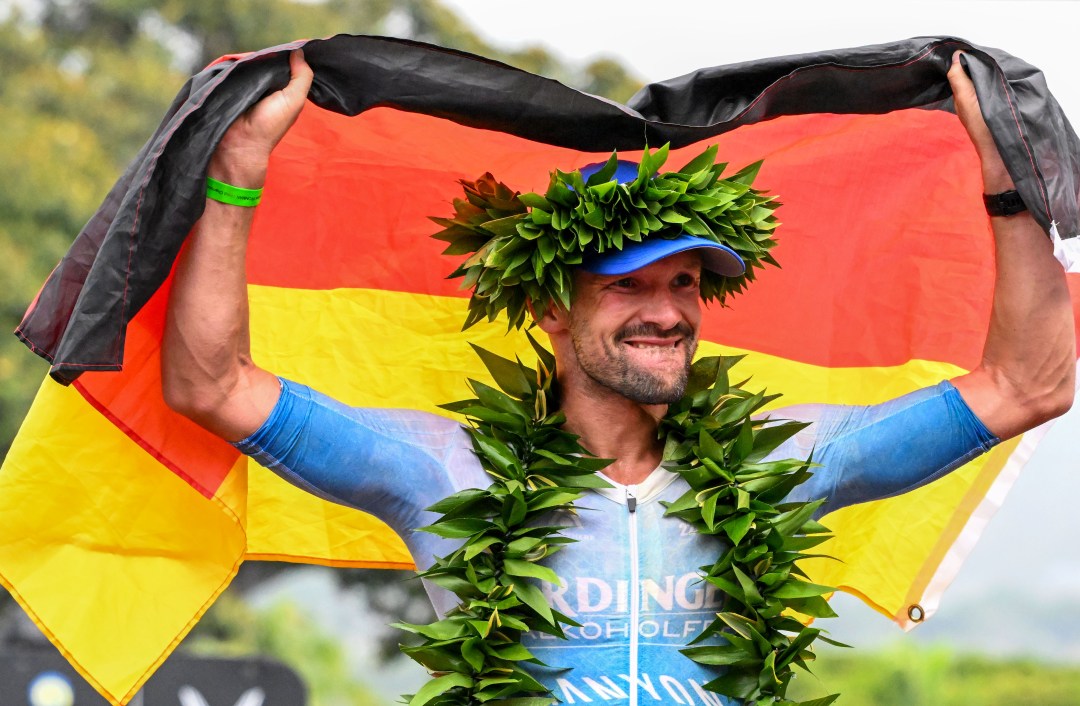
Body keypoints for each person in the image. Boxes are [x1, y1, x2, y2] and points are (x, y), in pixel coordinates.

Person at [161, 49, 1075, 704]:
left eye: (684, 284)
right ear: (553, 310)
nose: (667, 311)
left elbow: (1028, 385)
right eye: (628, 286)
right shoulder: (442, 470)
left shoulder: (787, 461)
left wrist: (1004, 186)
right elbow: (213, 386)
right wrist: (237, 177)